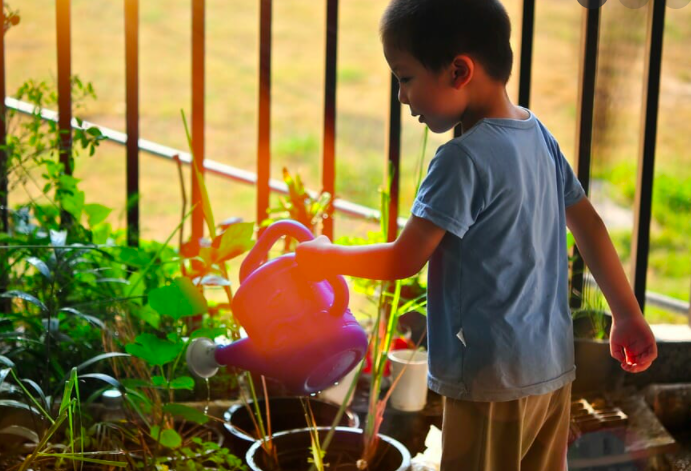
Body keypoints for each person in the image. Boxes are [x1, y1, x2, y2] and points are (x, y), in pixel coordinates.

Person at [295, 0, 658, 469]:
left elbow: (402, 260)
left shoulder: (461, 160)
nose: (402, 97)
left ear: (458, 71)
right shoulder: (537, 133)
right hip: (550, 369)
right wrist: (626, 314)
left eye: (405, 78)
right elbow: (588, 224)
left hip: (491, 380)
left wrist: (327, 257)